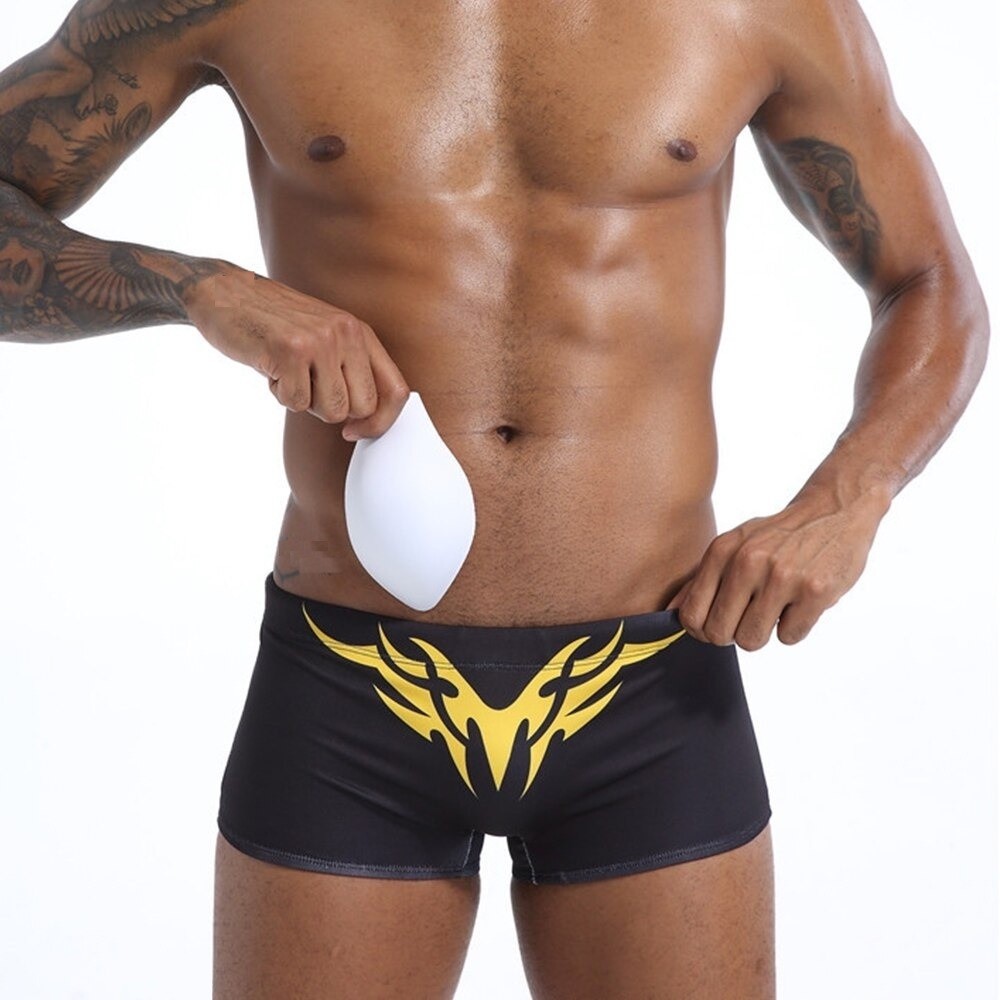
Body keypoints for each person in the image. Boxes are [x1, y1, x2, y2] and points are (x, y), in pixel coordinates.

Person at [0, 1, 989, 997]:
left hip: (651, 687)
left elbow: (929, 278)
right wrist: (202, 288)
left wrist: (850, 495)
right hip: (349, 694)